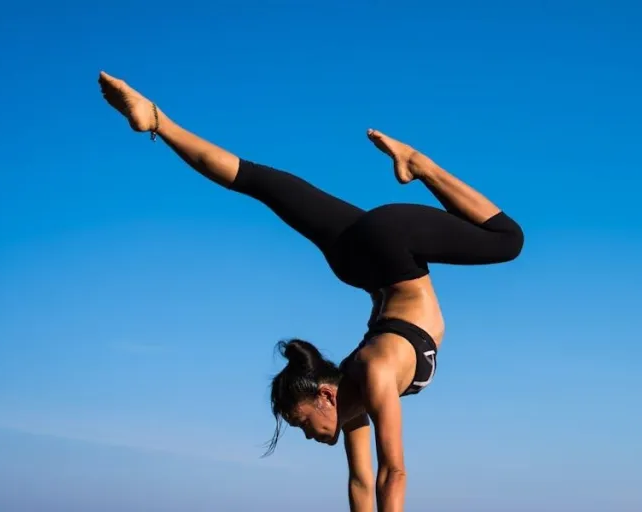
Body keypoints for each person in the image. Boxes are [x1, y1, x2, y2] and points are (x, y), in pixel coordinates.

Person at [97, 71, 524, 512]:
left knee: (508, 240)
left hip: (392, 248)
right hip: (360, 259)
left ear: (325, 395)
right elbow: (361, 485)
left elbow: (392, 472)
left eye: (303, 424)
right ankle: (158, 121)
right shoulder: (352, 402)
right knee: (263, 184)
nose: (308, 436)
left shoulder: (374, 374)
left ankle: (419, 164)